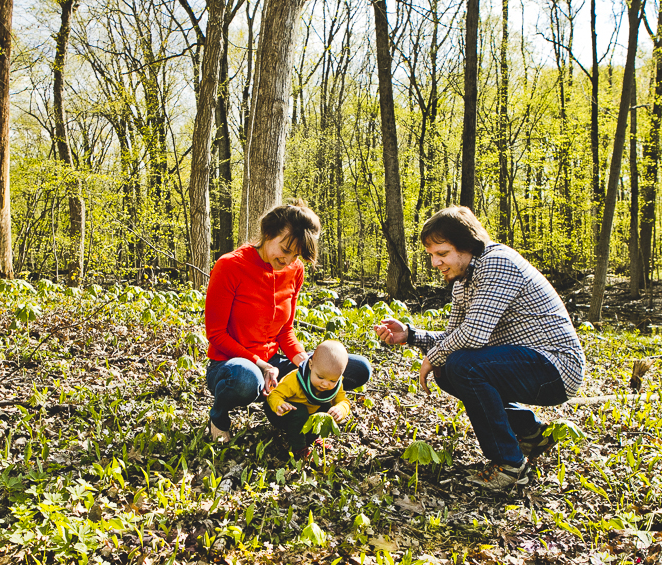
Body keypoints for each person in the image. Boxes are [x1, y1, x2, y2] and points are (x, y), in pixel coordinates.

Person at [373, 206, 584, 491]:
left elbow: (473, 335)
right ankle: (531, 433)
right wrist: (410, 335)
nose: (436, 263)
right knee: (449, 368)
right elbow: (454, 337)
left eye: (443, 253)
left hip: (556, 368)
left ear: (467, 245)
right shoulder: (463, 281)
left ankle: (509, 465)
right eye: (432, 255)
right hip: (526, 365)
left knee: (461, 365)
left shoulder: (498, 263)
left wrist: (431, 358)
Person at [205, 200, 372, 442]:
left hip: (275, 364)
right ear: (267, 233)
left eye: (296, 255)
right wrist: (261, 365)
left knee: (358, 368)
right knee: (246, 378)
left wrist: (305, 362)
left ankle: (290, 407)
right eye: (285, 250)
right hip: (232, 366)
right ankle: (219, 416)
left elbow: (285, 330)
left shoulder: (295, 270)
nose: (289, 260)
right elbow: (216, 335)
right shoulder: (230, 266)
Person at [266, 340, 352, 458]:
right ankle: (298, 447)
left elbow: (343, 401)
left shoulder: (336, 383)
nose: (325, 384)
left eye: (332, 381)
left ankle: (312, 438)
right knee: (300, 412)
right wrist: (279, 404)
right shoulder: (295, 379)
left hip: (310, 411)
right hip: (282, 412)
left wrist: (340, 409)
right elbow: (274, 395)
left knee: (326, 407)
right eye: (320, 377)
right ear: (311, 365)